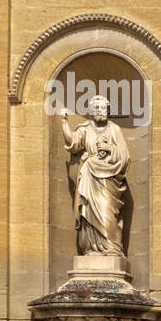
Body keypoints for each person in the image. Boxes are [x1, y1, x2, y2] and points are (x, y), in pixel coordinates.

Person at [61, 95, 130, 256]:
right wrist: (64, 122)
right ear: (92, 111)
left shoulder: (114, 129)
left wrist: (109, 148)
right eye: (97, 108)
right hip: (90, 176)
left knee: (107, 214)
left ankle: (111, 248)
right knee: (88, 211)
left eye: (104, 108)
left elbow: (125, 156)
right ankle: (91, 248)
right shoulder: (85, 129)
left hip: (109, 180)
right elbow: (73, 143)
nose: (101, 111)